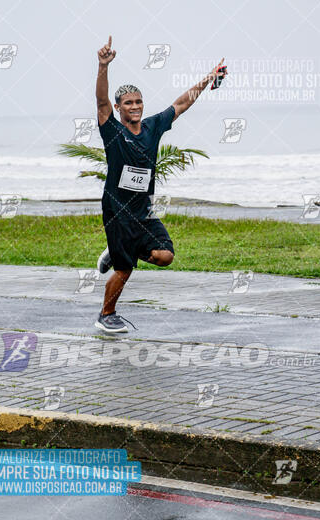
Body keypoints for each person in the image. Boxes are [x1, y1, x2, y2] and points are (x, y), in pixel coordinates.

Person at [95, 35, 227, 333]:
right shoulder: (112, 131)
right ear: (118, 108)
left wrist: (209, 78)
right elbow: (101, 101)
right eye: (128, 103)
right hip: (117, 210)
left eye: (138, 101)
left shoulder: (153, 126)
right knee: (124, 269)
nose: (135, 106)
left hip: (142, 211)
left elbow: (181, 103)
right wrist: (103, 66)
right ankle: (106, 314)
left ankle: (115, 250)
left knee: (165, 256)